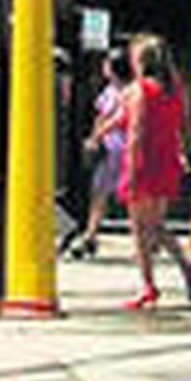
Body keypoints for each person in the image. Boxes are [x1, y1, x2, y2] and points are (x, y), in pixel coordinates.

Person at [111, 33, 191, 311]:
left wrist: (132, 164)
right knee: (156, 224)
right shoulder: (174, 89)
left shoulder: (140, 90)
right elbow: (185, 126)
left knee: (139, 228)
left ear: (140, 61)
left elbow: (135, 129)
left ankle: (148, 284)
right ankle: (185, 265)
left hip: (144, 160)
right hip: (166, 160)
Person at [65, 47, 131, 260]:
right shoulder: (122, 91)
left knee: (101, 194)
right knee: (121, 194)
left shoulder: (117, 92)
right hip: (122, 146)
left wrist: (95, 137)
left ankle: (90, 234)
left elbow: (107, 118)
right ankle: (148, 237)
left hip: (114, 147)